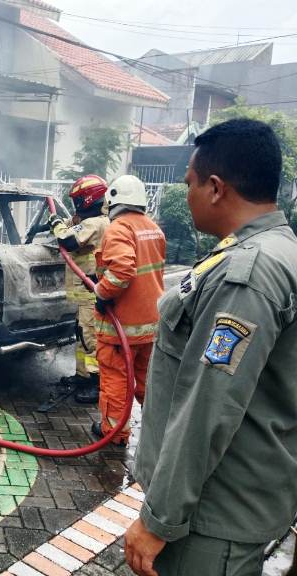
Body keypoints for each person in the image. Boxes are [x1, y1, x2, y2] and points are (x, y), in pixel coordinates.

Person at [125, 118, 297, 576]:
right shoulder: (273, 249)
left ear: (216, 188)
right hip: (226, 503)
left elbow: (209, 402)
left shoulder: (249, 273)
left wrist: (158, 518)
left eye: (190, 184)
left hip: (209, 519)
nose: (187, 194)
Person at [92, 174, 166, 445]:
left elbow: (122, 271)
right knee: (148, 381)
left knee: (116, 380)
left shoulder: (119, 228)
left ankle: (115, 433)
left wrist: (101, 293)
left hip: (121, 326)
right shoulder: (153, 228)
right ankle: (160, 427)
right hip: (151, 324)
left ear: (113, 200)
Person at [47, 175, 110, 403]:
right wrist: (67, 222)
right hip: (86, 294)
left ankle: (96, 384)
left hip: (90, 293)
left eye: (77, 200)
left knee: (91, 339)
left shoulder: (96, 223)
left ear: (87, 200)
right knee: (83, 337)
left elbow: (69, 241)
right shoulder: (94, 222)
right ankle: (83, 376)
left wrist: (56, 223)